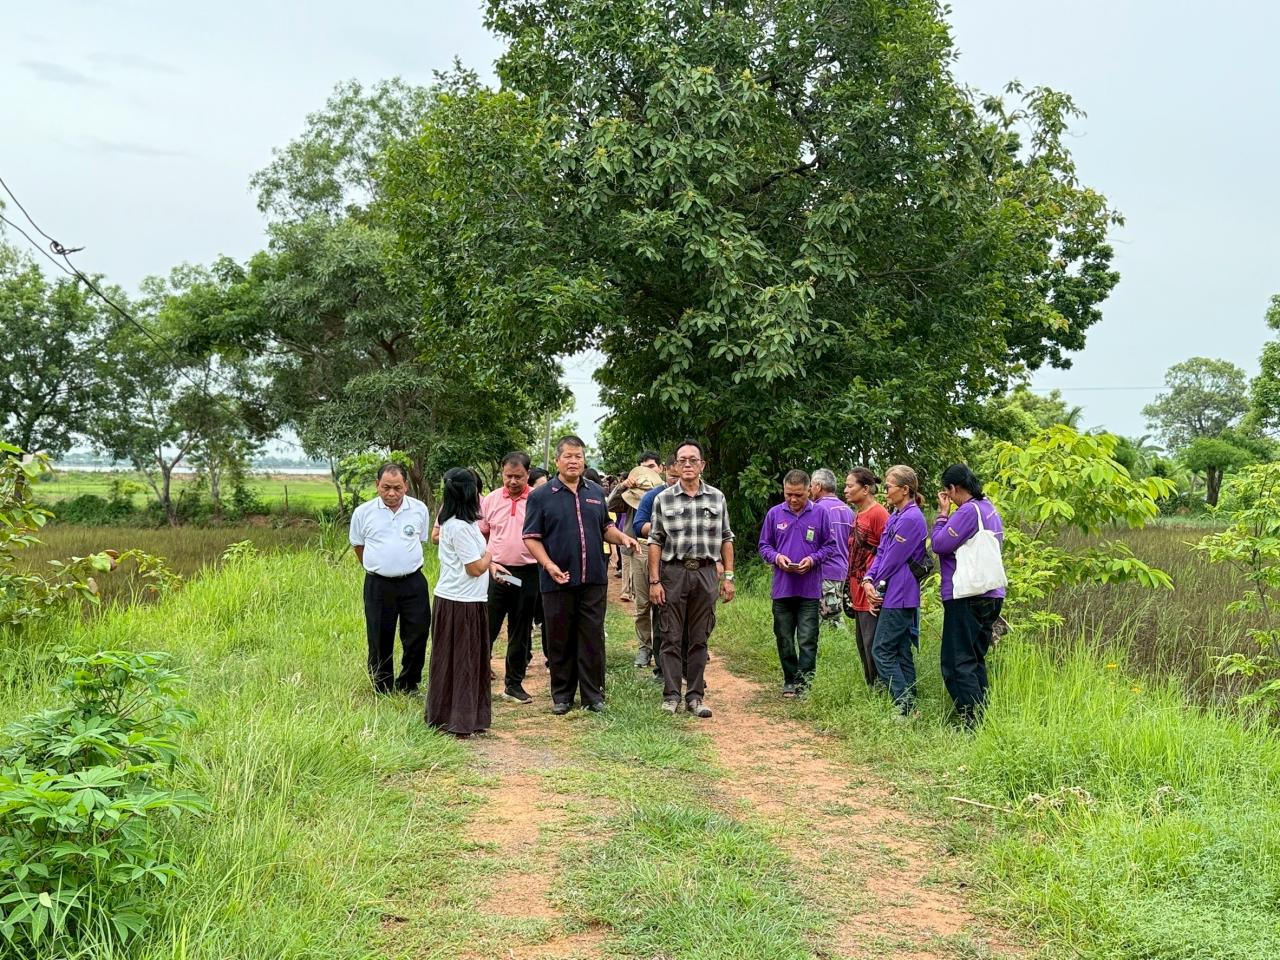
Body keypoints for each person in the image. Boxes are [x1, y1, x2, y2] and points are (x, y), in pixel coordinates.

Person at [523, 436, 638, 714]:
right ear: (557, 460)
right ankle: (562, 696)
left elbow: (603, 528)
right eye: (568, 456)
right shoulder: (540, 496)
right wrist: (548, 564)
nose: (574, 461)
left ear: (584, 460)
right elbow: (530, 537)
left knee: (592, 637)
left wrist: (623, 538)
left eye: (578, 456)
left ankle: (593, 695)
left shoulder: (596, 492)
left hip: (593, 578)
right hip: (557, 579)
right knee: (559, 637)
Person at [648, 440, 735, 718]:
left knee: (699, 637)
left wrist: (728, 576)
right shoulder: (664, 499)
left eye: (693, 460)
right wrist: (654, 581)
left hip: (707, 572)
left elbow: (726, 538)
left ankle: (695, 696)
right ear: (674, 465)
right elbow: (655, 540)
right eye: (682, 460)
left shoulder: (716, 497)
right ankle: (671, 695)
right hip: (673, 572)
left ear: (702, 465)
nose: (687, 465)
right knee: (671, 636)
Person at [427, 468, 500, 737]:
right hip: (460, 601)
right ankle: (457, 720)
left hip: (469, 599)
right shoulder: (458, 527)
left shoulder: (463, 524)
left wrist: (490, 563)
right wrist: (491, 556)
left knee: (468, 660)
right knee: (461, 662)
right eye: (477, 490)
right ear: (469, 493)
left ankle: (466, 717)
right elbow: (474, 568)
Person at [931, 463, 1006, 728]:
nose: (948, 497)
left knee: (955, 661)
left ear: (953, 488)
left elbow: (939, 544)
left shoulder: (967, 511)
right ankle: (983, 719)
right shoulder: (990, 509)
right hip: (993, 593)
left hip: (966, 595)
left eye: (948, 492)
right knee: (975, 658)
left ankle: (971, 722)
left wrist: (942, 515)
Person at [349, 462, 431, 695]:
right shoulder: (363, 513)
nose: (391, 493)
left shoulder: (419, 509)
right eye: (386, 487)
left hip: (413, 582)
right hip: (378, 584)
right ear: (377, 485)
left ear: (406, 486)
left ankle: (409, 684)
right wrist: (376, 566)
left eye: (397, 487)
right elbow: (358, 546)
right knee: (379, 636)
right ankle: (381, 686)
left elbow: (420, 540)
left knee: (417, 634)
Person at [758, 469, 836, 698]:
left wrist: (812, 559)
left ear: (809, 491)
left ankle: (805, 683)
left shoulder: (820, 514)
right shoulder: (774, 514)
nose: (793, 499)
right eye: (788, 494)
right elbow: (764, 546)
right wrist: (776, 558)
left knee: (808, 638)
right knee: (783, 636)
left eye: (799, 495)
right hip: (782, 589)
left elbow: (830, 546)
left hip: (809, 590)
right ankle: (790, 679)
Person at [862, 465, 929, 718]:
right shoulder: (896, 516)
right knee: (900, 650)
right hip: (890, 591)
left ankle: (905, 704)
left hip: (901, 594)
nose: (885, 491)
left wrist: (873, 581)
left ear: (905, 489)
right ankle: (912, 705)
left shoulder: (912, 518)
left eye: (889, 486)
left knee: (881, 650)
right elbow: (881, 552)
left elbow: (894, 559)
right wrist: (868, 578)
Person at [479, 452, 540, 705]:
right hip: (496, 572)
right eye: (508, 476)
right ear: (502, 474)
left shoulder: (538, 500)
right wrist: (490, 563)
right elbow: (481, 535)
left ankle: (513, 684)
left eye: (519, 477)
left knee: (520, 629)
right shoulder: (491, 500)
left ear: (528, 474)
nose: (513, 481)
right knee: (486, 628)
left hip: (528, 573)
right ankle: (478, 680)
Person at [630, 456, 679, 668]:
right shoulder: (653, 496)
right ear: (665, 471)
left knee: (672, 608)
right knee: (644, 605)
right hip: (647, 552)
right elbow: (638, 524)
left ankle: (678, 653)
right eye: (673, 475)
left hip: (677, 558)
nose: (676, 480)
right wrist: (664, 529)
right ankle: (645, 647)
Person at [843, 467, 889, 687]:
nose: (846, 490)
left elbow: (887, 552)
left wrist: (878, 588)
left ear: (866, 488)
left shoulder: (879, 514)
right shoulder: (858, 514)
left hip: (871, 592)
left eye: (850, 486)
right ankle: (873, 690)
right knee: (863, 645)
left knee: (873, 646)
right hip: (856, 589)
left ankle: (882, 691)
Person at [810, 468, 854, 627]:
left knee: (830, 618)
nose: (809, 490)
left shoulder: (817, 510)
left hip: (824, 571)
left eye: (811, 485)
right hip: (842, 570)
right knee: (832, 611)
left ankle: (841, 648)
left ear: (818, 487)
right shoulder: (848, 511)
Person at [614, 452, 661, 600]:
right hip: (637, 546)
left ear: (661, 468)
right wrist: (622, 487)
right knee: (641, 602)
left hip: (663, 547)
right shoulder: (632, 492)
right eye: (644, 468)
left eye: (652, 466)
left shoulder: (669, 491)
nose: (649, 471)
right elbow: (610, 506)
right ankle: (627, 593)